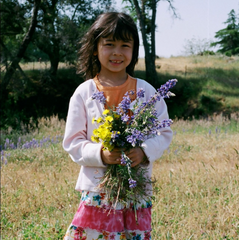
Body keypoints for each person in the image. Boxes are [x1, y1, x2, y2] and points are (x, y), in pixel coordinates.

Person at [63, 12, 173, 240]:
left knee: (134, 235)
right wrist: (101, 154)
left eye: (125, 45)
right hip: (97, 190)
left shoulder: (148, 92)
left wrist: (143, 151)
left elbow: (163, 132)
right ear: (95, 48)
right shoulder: (84, 93)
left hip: (136, 189)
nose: (117, 52)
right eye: (109, 44)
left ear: (134, 51)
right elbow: (73, 142)